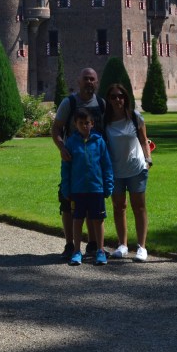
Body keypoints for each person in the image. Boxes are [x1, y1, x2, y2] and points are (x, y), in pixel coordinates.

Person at [52, 67, 107, 258]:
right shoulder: (69, 103)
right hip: (73, 162)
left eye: (92, 79)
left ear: (96, 82)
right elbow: (56, 129)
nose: (89, 82)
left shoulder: (101, 103)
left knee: (93, 204)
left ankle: (93, 244)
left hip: (95, 164)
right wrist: (62, 148)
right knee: (67, 203)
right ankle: (70, 245)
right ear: (79, 81)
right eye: (86, 79)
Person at [103, 83, 152, 262]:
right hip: (115, 170)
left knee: (139, 207)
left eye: (121, 96)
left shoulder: (135, 117)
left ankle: (142, 247)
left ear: (126, 98)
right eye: (114, 96)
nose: (118, 99)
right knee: (119, 207)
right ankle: (122, 245)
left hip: (136, 168)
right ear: (109, 100)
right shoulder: (105, 120)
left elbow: (144, 140)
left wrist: (148, 160)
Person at [60, 107, 113, 266]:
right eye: (81, 123)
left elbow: (106, 165)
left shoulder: (99, 141)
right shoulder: (71, 143)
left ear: (92, 124)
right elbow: (66, 168)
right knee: (77, 220)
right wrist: (66, 188)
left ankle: (100, 250)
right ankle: (77, 251)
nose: (84, 126)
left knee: (98, 219)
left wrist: (108, 185)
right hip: (78, 189)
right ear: (75, 124)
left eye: (87, 123)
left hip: (96, 188)